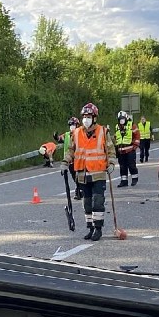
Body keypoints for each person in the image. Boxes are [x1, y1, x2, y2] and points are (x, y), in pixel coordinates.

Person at [64, 102, 116, 241]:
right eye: (84, 116)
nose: (86, 119)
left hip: (98, 173)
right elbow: (71, 150)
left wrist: (111, 163)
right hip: (82, 174)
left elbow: (110, 150)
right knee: (86, 203)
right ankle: (90, 228)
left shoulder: (103, 132)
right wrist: (65, 162)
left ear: (94, 118)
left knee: (97, 202)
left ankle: (98, 229)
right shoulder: (76, 133)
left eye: (89, 116)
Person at [112, 110, 139, 187]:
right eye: (120, 119)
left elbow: (137, 135)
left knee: (131, 165)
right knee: (122, 166)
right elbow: (116, 137)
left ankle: (134, 178)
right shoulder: (117, 127)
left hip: (130, 149)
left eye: (122, 119)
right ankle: (124, 181)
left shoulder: (132, 125)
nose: (121, 121)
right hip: (121, 151)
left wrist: (135, 146)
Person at [62, 116, 83, 199]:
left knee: (79, 177)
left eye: (73, 125)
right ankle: (79, 190)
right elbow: (60, 138)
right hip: (70, 160)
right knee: (75, 177)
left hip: (79, 159)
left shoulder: (81, 133)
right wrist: (56, 137)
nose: (72, 126)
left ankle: (79, 191)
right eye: (70, 125)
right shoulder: (67, 134)